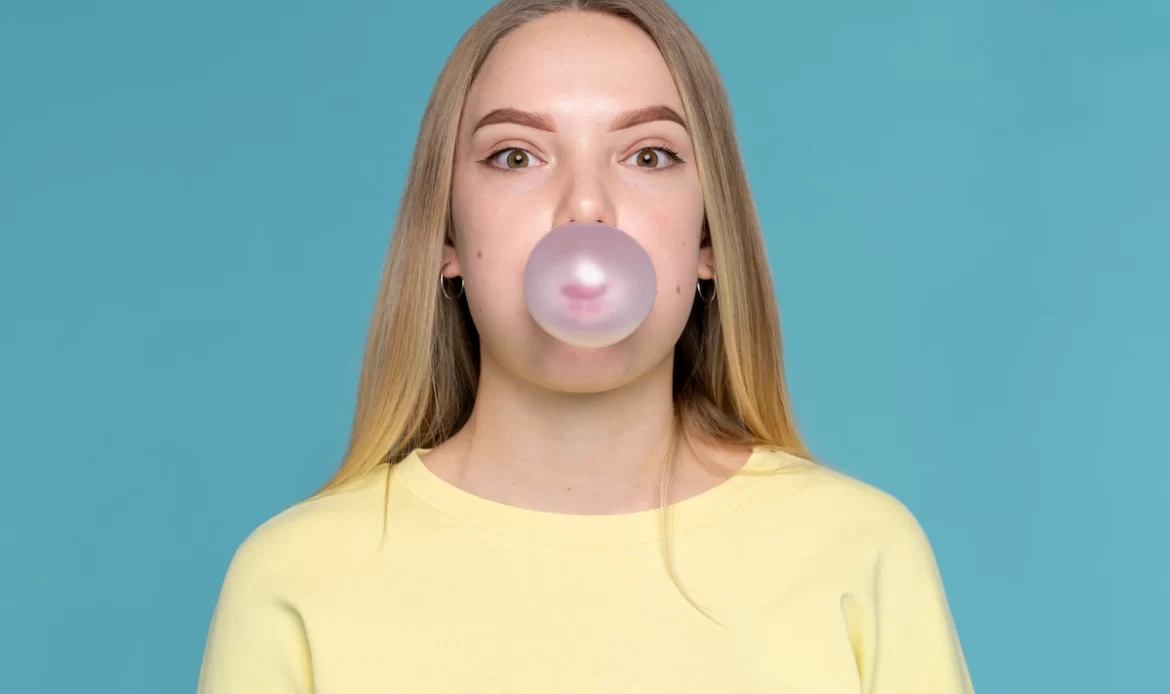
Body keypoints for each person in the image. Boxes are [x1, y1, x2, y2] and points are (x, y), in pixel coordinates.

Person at [196, 0, 975, 692]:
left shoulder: (858, 554)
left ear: (708, 239)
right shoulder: (297, 580)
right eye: (516, 157)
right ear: (448, 237)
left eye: (648, 155)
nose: (586, 206)